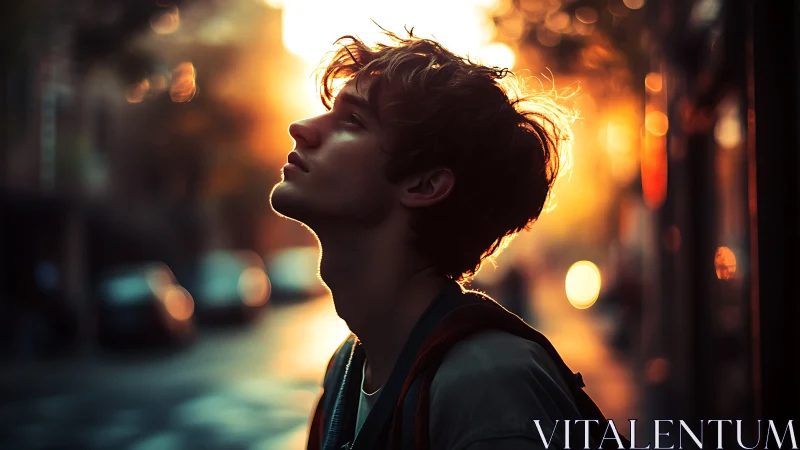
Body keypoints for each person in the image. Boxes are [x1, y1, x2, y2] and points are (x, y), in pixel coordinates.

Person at [270, 28, 613, 450]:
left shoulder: (488, 386)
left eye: (353, 121)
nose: (300, 127)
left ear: (425, 183)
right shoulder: (346, 369)